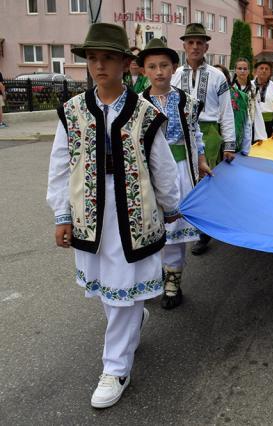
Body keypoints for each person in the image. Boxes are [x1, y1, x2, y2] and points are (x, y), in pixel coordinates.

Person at [46, 23, 179, 409]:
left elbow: (162, 165)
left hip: (133, 215)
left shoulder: (144, 112)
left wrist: (171, 207)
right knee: (107, 284)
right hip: (89, 214)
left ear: (125, 63)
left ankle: (116, 366)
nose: (99, 66)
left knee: (122, 285)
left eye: (108, 58)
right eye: (92, 58)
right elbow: (60, 165)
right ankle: (130, 325)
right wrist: (61, 214)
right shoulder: (72, 112)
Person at [137, 38, 210, 309]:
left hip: (180, 171)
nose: (159, 72)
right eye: (152, 66)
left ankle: (172, 281)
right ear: (144, 70)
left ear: (174, 67)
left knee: (174, 228)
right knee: (148, 227)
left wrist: (201, 160)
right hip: (147, 176)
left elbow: (196, 134)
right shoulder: (136, 104)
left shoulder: (187, 101)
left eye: (164, 65)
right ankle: (150, 278)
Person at [170, 23, 236, 256]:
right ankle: (183, 222)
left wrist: (229, 144)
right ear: (184, 45)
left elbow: (227, 112)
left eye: (199, 42)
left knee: (204, 181)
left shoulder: (218, 76)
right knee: (182, 179)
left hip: (209, 132)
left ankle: (203, 232)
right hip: (182, 133)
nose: (195, 46)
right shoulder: (174, 75)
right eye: (191, 42)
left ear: (207, 45)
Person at [228, 58, 268, 154]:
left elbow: (257, 111)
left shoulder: (254, 89)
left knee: (245, 154)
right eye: (240, 68)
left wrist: (260, 134)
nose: (242, 71)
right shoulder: (230, 88)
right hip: (232, 126)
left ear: (249, 71)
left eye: (245, 69)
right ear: (235, 70)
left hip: (248, 125)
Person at [253, 60, 273, 139]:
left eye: (267, 69)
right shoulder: (249, 86)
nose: (264, 70)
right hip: (252, 124)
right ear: (256, 71)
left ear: (270, 72)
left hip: (268, 124)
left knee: (265, 150)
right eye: (261, 68)